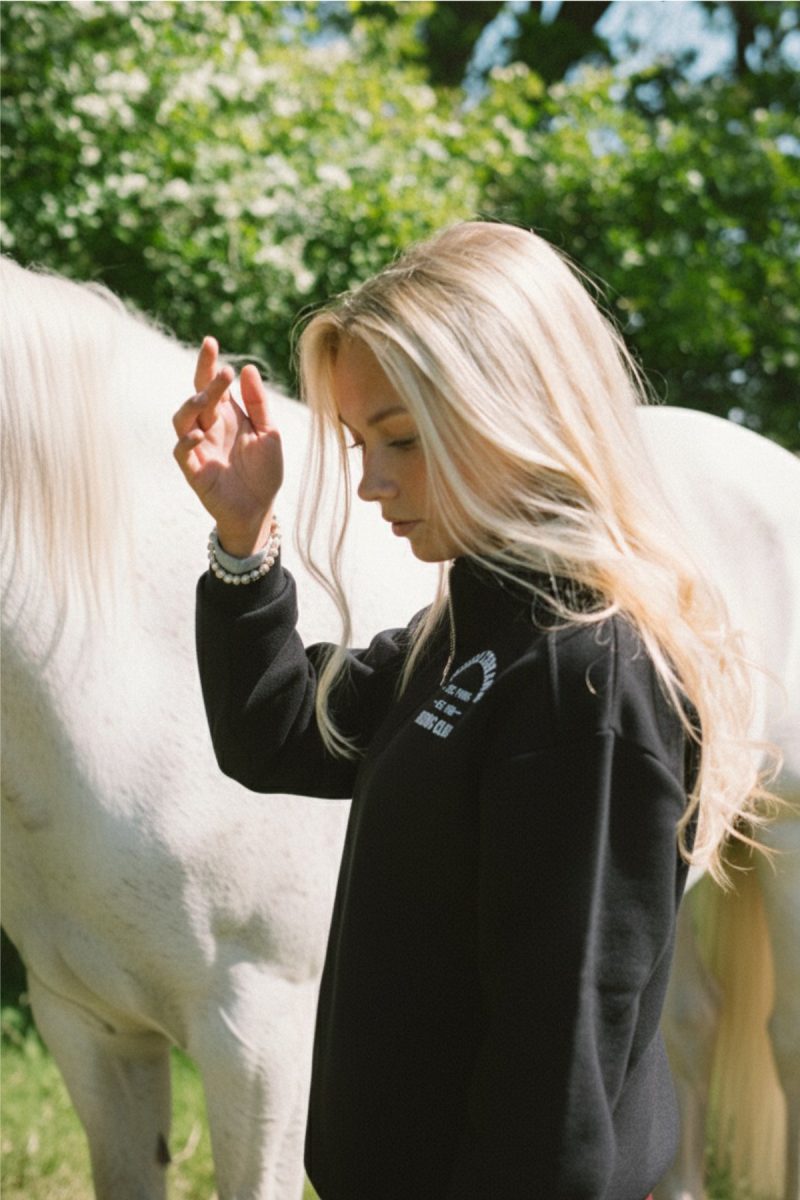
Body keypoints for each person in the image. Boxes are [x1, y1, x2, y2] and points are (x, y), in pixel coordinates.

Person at [173, 221, 767, 1199]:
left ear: (513, 411)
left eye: (402, 439)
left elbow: (557, 1076)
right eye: (360, 443)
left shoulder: (587, 677)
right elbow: (276, 733)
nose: (371, 482)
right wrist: (244, 538)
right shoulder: (473, 625)